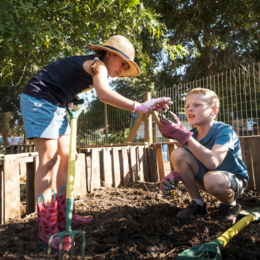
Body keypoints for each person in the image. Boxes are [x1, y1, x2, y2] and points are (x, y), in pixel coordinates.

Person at [20, 35, 173, 252]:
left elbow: (65, 78)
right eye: (123, 63)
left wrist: (70, 96)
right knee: (49, 160)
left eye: (127, 66)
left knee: (68, 155)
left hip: (56, 103)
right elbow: (104, 94)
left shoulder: (93, 67)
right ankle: (47, 230)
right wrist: (141, 106)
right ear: (109, 54)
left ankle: (65, 217)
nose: (123, 69)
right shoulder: (98, 65)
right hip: (39, 99)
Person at [159, 88, 248, 224]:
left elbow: (213, 162)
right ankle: (198, 203)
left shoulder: (224, 130)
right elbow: (187, 163)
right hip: (207, 178)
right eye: (187, 106)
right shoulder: (192, 135)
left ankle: (231, 205)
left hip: (232, 182)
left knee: (212, 179)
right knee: (178, 153)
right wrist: (175, 176)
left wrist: (184, 137)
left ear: (214, 110)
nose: (190, 109)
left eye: (197, 105)